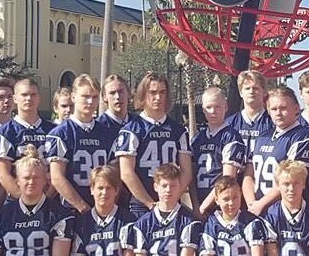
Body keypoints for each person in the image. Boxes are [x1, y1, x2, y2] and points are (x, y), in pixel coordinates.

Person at [114, 72, 193, 218]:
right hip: (141, 207)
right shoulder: (132, 130)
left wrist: (171, 198)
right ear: (143, 95)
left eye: (162, 92)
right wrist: (149, 203)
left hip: (171, 205)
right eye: (153, 92)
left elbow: (187, 171)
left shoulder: (178, 130)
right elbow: (126, 173)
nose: (158, 97)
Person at [243, 85, 309, 216]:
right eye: (274, 109)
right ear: (268, 110)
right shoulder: (262, 137)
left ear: (296, 108)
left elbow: (292, 180)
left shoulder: (303, 139)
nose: (278, 113)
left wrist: (261, 204)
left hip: (286, 213)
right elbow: (249, 175)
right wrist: (252, 204)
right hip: (257, 210)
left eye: (283, 108)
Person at [45, 74, 118, 214]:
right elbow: (57, 177)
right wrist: (82, 207)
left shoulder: (108, 133)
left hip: (103, 208)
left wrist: (107, 206)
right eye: (85, 96)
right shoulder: (60, 133)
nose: (90, 101)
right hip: (72, 209)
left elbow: (115, 175)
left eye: (95, 97)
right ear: (73, 97)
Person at [0, 77, 57, 201]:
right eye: (24, 95)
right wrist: (26, 201)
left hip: (51, 200)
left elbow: (58, 173)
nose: (29, 98)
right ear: (15, 98)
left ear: (39, 98)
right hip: (17, 202)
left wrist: (45, 200)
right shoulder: (4, 133)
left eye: (33, 94)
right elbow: (4, 176)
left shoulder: (54, 131)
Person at [190, 86, 246, 217]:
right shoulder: (197, 139)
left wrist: (203, 207)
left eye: (217, 107)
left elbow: (228, 178)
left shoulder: (231, 137)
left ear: (225, 107)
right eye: (209, 107)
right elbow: (191, 177)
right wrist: (196, 206)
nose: (213, 111)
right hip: (200, 203)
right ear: (203, 109)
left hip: (221, 206)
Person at [226, 70, 274, 153]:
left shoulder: (273, 122)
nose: (251, 91)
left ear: (264, 92)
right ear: (241, 93)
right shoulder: (230, 123)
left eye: (255, 88)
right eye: (247, 88)